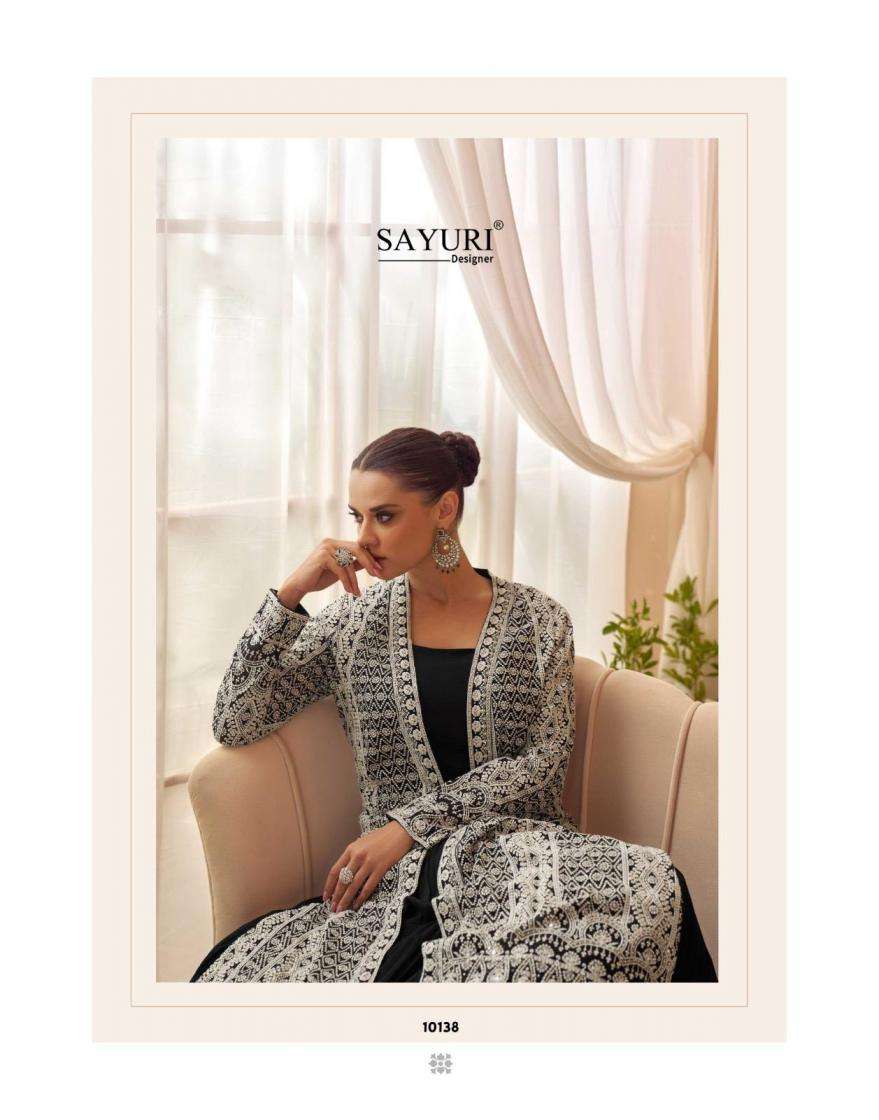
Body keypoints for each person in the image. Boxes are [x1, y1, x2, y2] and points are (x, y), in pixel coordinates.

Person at [191, 427, 717, 983]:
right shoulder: (352, 625)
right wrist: (291, 593)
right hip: (399, 878)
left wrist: (407, 826)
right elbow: (235, 719)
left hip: (523, 859)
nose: (364, 538)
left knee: (648, 889)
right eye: (357, 517)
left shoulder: (539, 622)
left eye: (384, 516)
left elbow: (543, 763)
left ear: (444, 509)